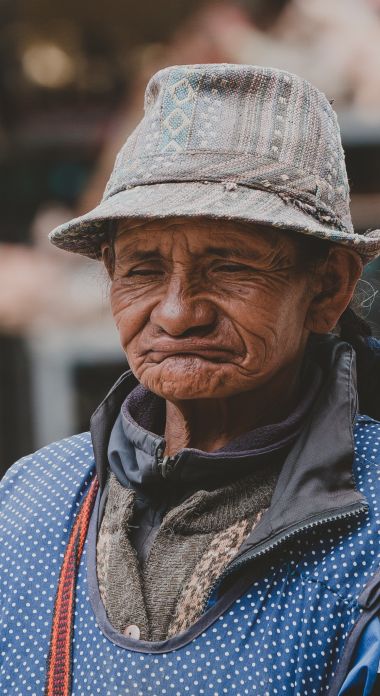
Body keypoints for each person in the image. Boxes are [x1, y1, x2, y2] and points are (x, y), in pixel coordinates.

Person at [1, 64, 379, 696]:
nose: (178, 313)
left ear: (328, 287)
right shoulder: (28, 501)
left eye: (228, 266)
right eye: (143, 269)